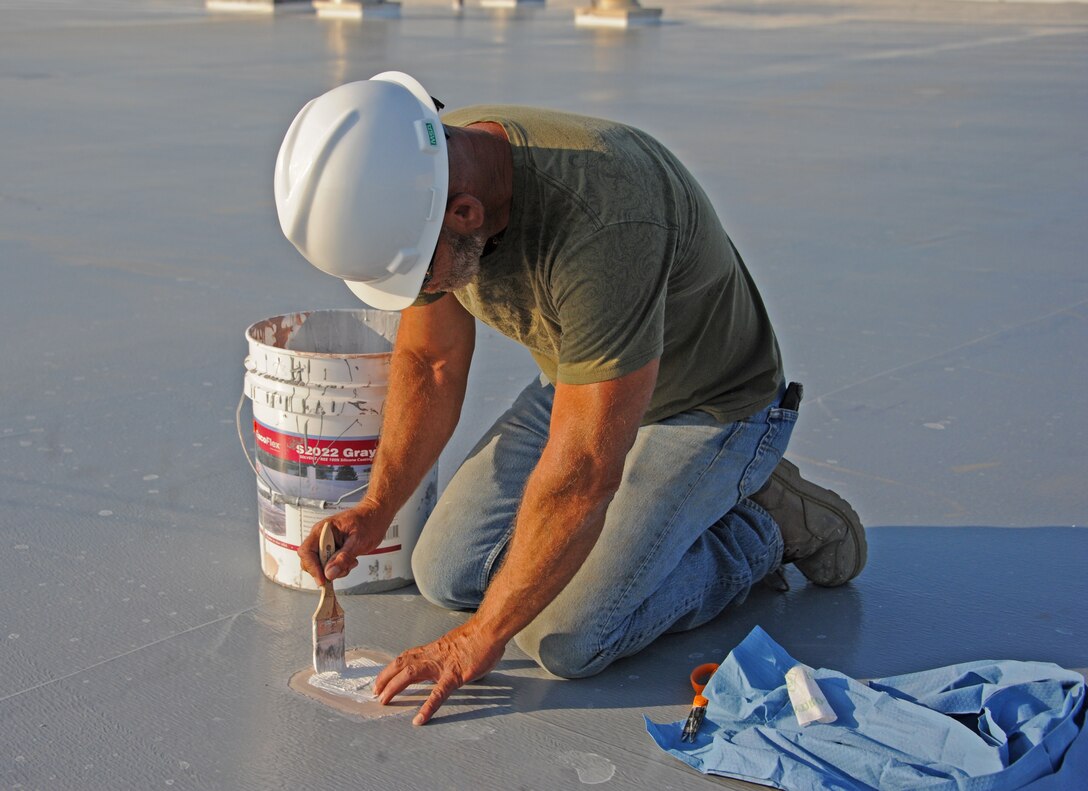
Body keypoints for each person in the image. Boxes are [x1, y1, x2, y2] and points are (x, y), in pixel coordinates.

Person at [274, 71, 866, 726]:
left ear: (465, 214)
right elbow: (432, 359)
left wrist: (478, 637)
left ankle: (759, 525)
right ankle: (659, 526)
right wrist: (380, 503)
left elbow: (581, 475)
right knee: (446, 570)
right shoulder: (425, 169)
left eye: (416, 275)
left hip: (706, 405)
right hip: (584, 379)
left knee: (568, 637)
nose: (421, 290)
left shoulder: (605, 222)